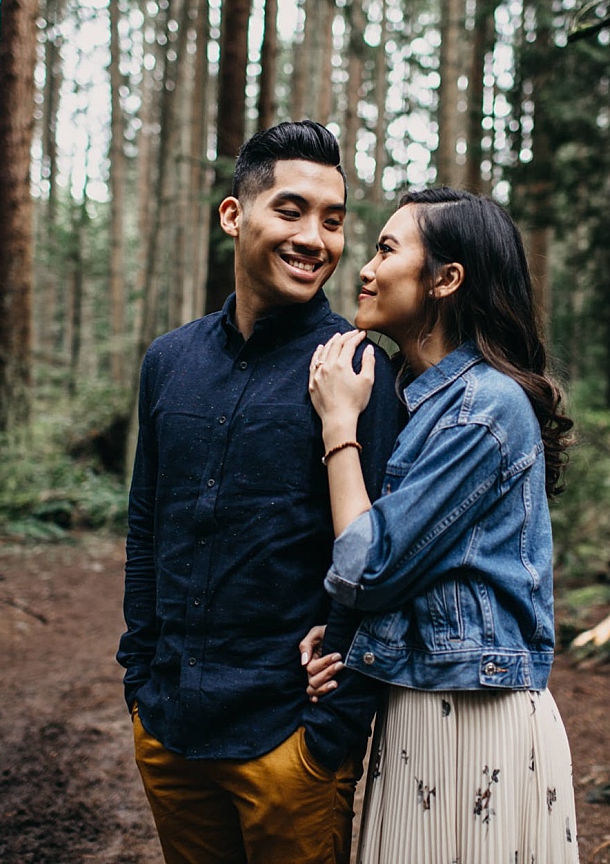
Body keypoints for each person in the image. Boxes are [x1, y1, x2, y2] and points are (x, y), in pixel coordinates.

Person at [119, 120, 404, 863]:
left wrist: (330, 732)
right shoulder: (169, 361)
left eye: (334, 221)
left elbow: (376, 556)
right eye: (291, 210)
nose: (316, 238)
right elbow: (148, 526)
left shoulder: (359, 369)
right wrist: (140, 682)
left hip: (289, 743)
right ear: (233, 214)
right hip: (170, 729)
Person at [306, 187, 579, 862]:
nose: (365, 269)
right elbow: (417, 574)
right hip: (423, 704)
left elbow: (371, 568)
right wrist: (347, 635)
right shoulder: (412, 398)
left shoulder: (483, 407)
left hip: (474, 715)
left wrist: (338, 428)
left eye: (388, 249)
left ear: (446, 280)